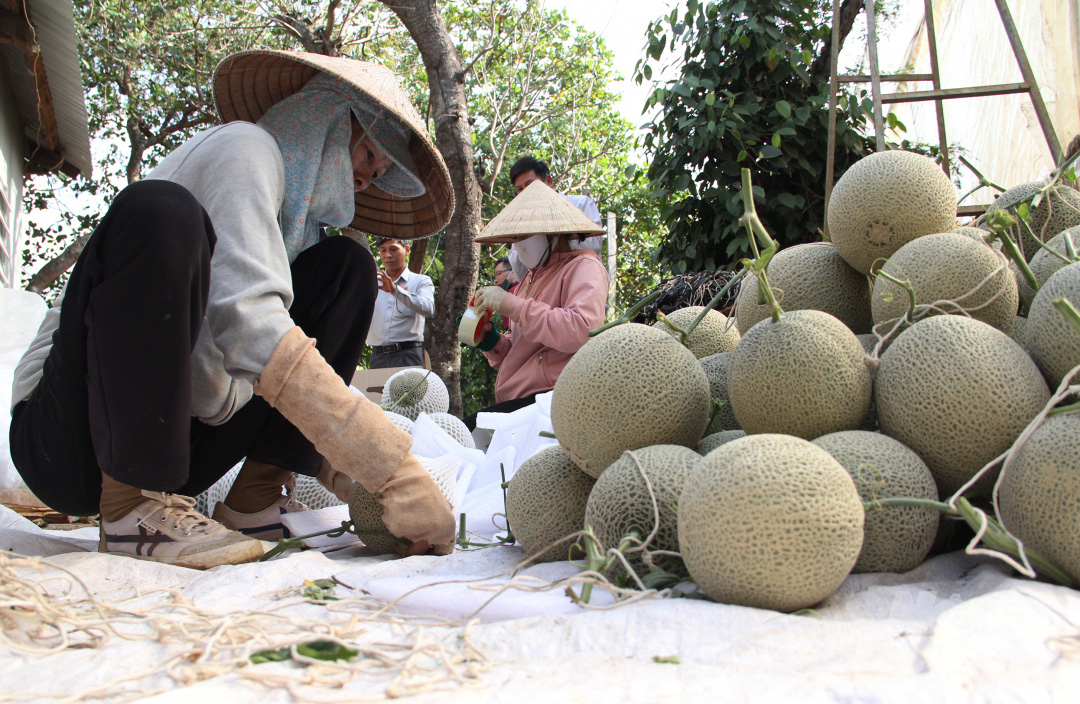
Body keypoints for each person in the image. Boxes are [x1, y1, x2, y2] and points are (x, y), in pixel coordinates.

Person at [8, 50, 457, 569]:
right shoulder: (244, 149)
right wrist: (389, 466)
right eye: (366, 158)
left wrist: (346, 469)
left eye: (376, 174)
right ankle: (129, 505)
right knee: (160, 212)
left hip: (180, 445)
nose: (365, 181)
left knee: (345, 269)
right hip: (68, 438)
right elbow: (253, 327)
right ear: (329, 122)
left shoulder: (295, 235)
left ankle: (254, 502)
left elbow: (265, 365)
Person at [461, 180, 609, 430]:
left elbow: (584, 329)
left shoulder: (584, 266)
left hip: (554, 397)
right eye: (514, 238)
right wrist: (492, 342)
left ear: (550, 230)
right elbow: (525, 348)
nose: (518, 245)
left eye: (523, 235)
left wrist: (512, 305)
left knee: (469, 430)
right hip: (521, 398)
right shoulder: (532, 276)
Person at [366, 237, 434, 369]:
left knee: (409, 390)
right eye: (383, 250)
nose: (388, 255)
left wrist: (395, 291)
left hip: (408, 355)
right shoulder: (373, 283)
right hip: (378, 356)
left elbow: (428, 308)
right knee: (378, 390)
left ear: (406, 249)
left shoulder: (421, 281)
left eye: (393, 249)